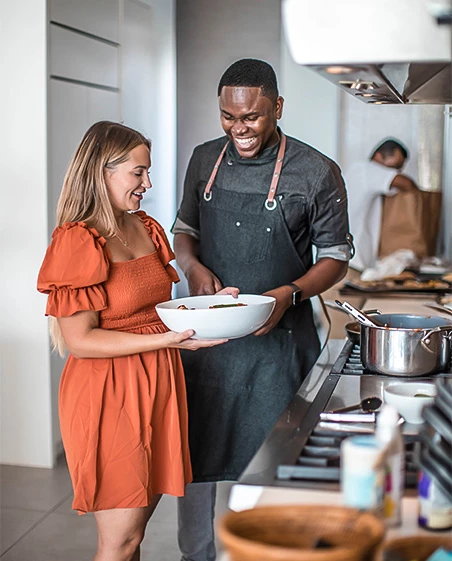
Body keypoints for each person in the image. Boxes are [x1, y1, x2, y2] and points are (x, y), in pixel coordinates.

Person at [172, 58, 353, 561]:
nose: (239, 129)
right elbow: (184, 230)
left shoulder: (316, 170)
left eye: (251, 116)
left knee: (272, 468)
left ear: (277, 107)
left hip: (279, 347)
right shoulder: (204, 158)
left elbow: (335, 259)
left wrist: (288, 294)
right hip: (205, 344)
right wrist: (192, 268)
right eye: (228, 117)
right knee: (197, 459)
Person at [37, 121, 235, 561]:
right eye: (138, 173)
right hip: (109, 394)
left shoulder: (144, 226)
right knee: (120, 541)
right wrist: (167, 340)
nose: (148, 183)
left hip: (159, 382)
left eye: (148, 172)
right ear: (102, 173)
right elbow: (81, 340)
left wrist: (208, 308)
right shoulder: (77, 240)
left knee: (134, 537)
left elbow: (150, 312)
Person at [345, 138, 419, 272]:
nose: (397, 172)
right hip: (353, 263)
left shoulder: (360, 173)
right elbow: (407, 184)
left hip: (352, 260)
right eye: (394, 167)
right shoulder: (366, 169)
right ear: (378, 156)